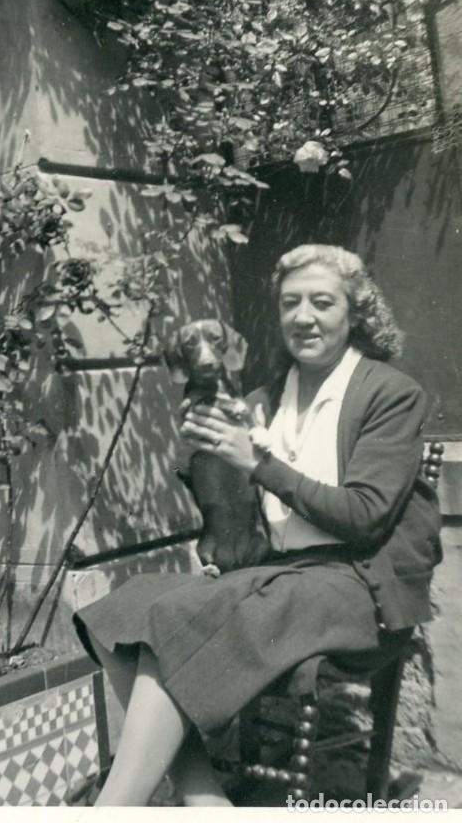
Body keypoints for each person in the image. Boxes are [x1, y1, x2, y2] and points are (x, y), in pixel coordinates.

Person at [72, 244, 442, 807]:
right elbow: (231, 502)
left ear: (355, 312)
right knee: (123, 608)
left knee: (178, 615)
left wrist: (256, 462)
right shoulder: (262, 399)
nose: (303, 316)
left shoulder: (389, 394)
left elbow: (365, 518)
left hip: (356, 584)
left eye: (322, 302)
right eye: (291, 303)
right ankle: (203, 795)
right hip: (278, 573)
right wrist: (196, 457)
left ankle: (115, 808)